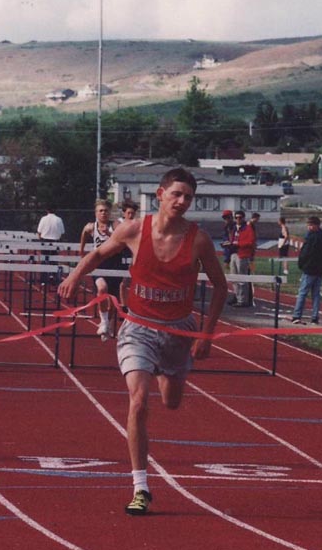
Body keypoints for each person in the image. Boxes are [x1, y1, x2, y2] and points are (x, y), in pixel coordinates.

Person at [59, 168, 228, 515]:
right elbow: (97, 255)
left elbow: (220, 287)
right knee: (138, 402)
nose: (182, 202)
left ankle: (172, 372)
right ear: (160, 193)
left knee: (171, 401)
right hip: (138, 328)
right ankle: (141, 487)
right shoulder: (134, 229)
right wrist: (75, 276)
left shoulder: (198, 240)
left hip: (179, 331)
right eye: (176, 194)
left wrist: (207, 335)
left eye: (188, 197)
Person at [78, 199, 124, 341]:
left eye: (106, 210)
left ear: (110, 212)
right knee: (102, 288)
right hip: (98, 263)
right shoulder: (91, 227)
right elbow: (84, 234)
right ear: (96, 213)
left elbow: (122, 241)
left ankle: (108, 324)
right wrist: (81, 250)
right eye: (100, 210)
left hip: (115, 263)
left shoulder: (116, 225)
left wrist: (110, 235)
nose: (103, 213)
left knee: (113, 298)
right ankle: (104, 322)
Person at [291, 215, 322, 325]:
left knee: (302, 293)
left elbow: (305, 253)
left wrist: (301, 265)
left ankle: (296, 315)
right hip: (319, 270)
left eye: (311, 225)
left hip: (310, 269)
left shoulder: (311, 237)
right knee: (316, 294)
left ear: (316, 225)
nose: (309, 227)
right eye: (308, 225)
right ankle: (315, 317)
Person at [227, 209, 256, 307]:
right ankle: (237, 296)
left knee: (242, 278)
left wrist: (238, 244)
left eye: (240, 218)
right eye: (236, 218)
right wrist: (229, 244)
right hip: (233, 253)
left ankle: (243, 300)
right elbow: (232, 239)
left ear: (243, 218)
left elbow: (251, 242)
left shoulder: (248, 228)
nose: (238, 219)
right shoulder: (234, 228)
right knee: (234, 277)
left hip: (242, 254)